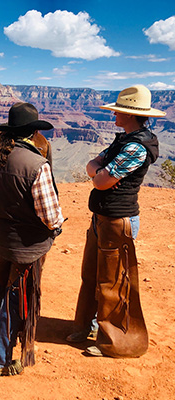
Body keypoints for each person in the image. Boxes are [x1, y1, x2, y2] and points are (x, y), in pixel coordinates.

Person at [66, 84, 166, 357]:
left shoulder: (136, 147)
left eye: (118, 112)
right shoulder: (123, 139)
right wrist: (99, 171)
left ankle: (114, 341)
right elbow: (94, 166)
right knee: (91, 275)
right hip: (102, 217)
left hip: (118, 220)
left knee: (112, 282)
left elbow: (99, 179)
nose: (113, 117)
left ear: (131, 115)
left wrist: (98, 172)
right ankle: (86, 326)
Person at [0, 102, 64, 377]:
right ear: (33, 132)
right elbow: (50, 216)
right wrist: (56, 229)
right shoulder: (37, 164)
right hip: (27, 247)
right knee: (15, 299)